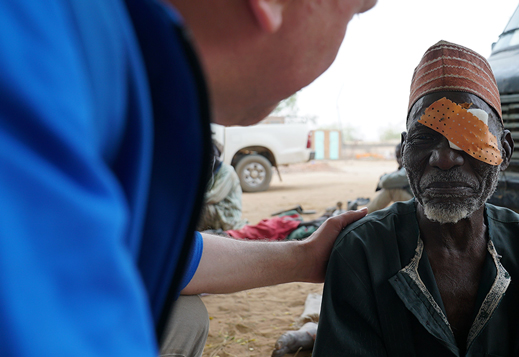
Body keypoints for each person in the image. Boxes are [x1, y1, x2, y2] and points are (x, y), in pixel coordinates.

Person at [0, 0, 375, 355]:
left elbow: (171, 252)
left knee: (186, 317)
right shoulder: (34, 50)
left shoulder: (117, 62)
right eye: (355, 12)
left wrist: (304, 257)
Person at [313, 41, 519, 356]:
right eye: (425, 137)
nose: (444, 158)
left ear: (504, 151)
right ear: (405, 151)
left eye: (470, 136)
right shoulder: (361, 253)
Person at [197, 142, 247, 232]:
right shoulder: (210, 171)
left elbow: (214, 197)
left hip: (228, 215)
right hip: (216, 211)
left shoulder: (227, 171)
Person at [365, 143, 414, 213]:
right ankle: (364, 213)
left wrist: (382, 179)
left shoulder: (410, 168)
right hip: (415, 202)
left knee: (392, 190)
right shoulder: (404, 168)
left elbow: (385, 182)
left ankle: (363, 214)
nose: (400, 160)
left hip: (419, 205)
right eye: (397, 157)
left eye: (402, 156)